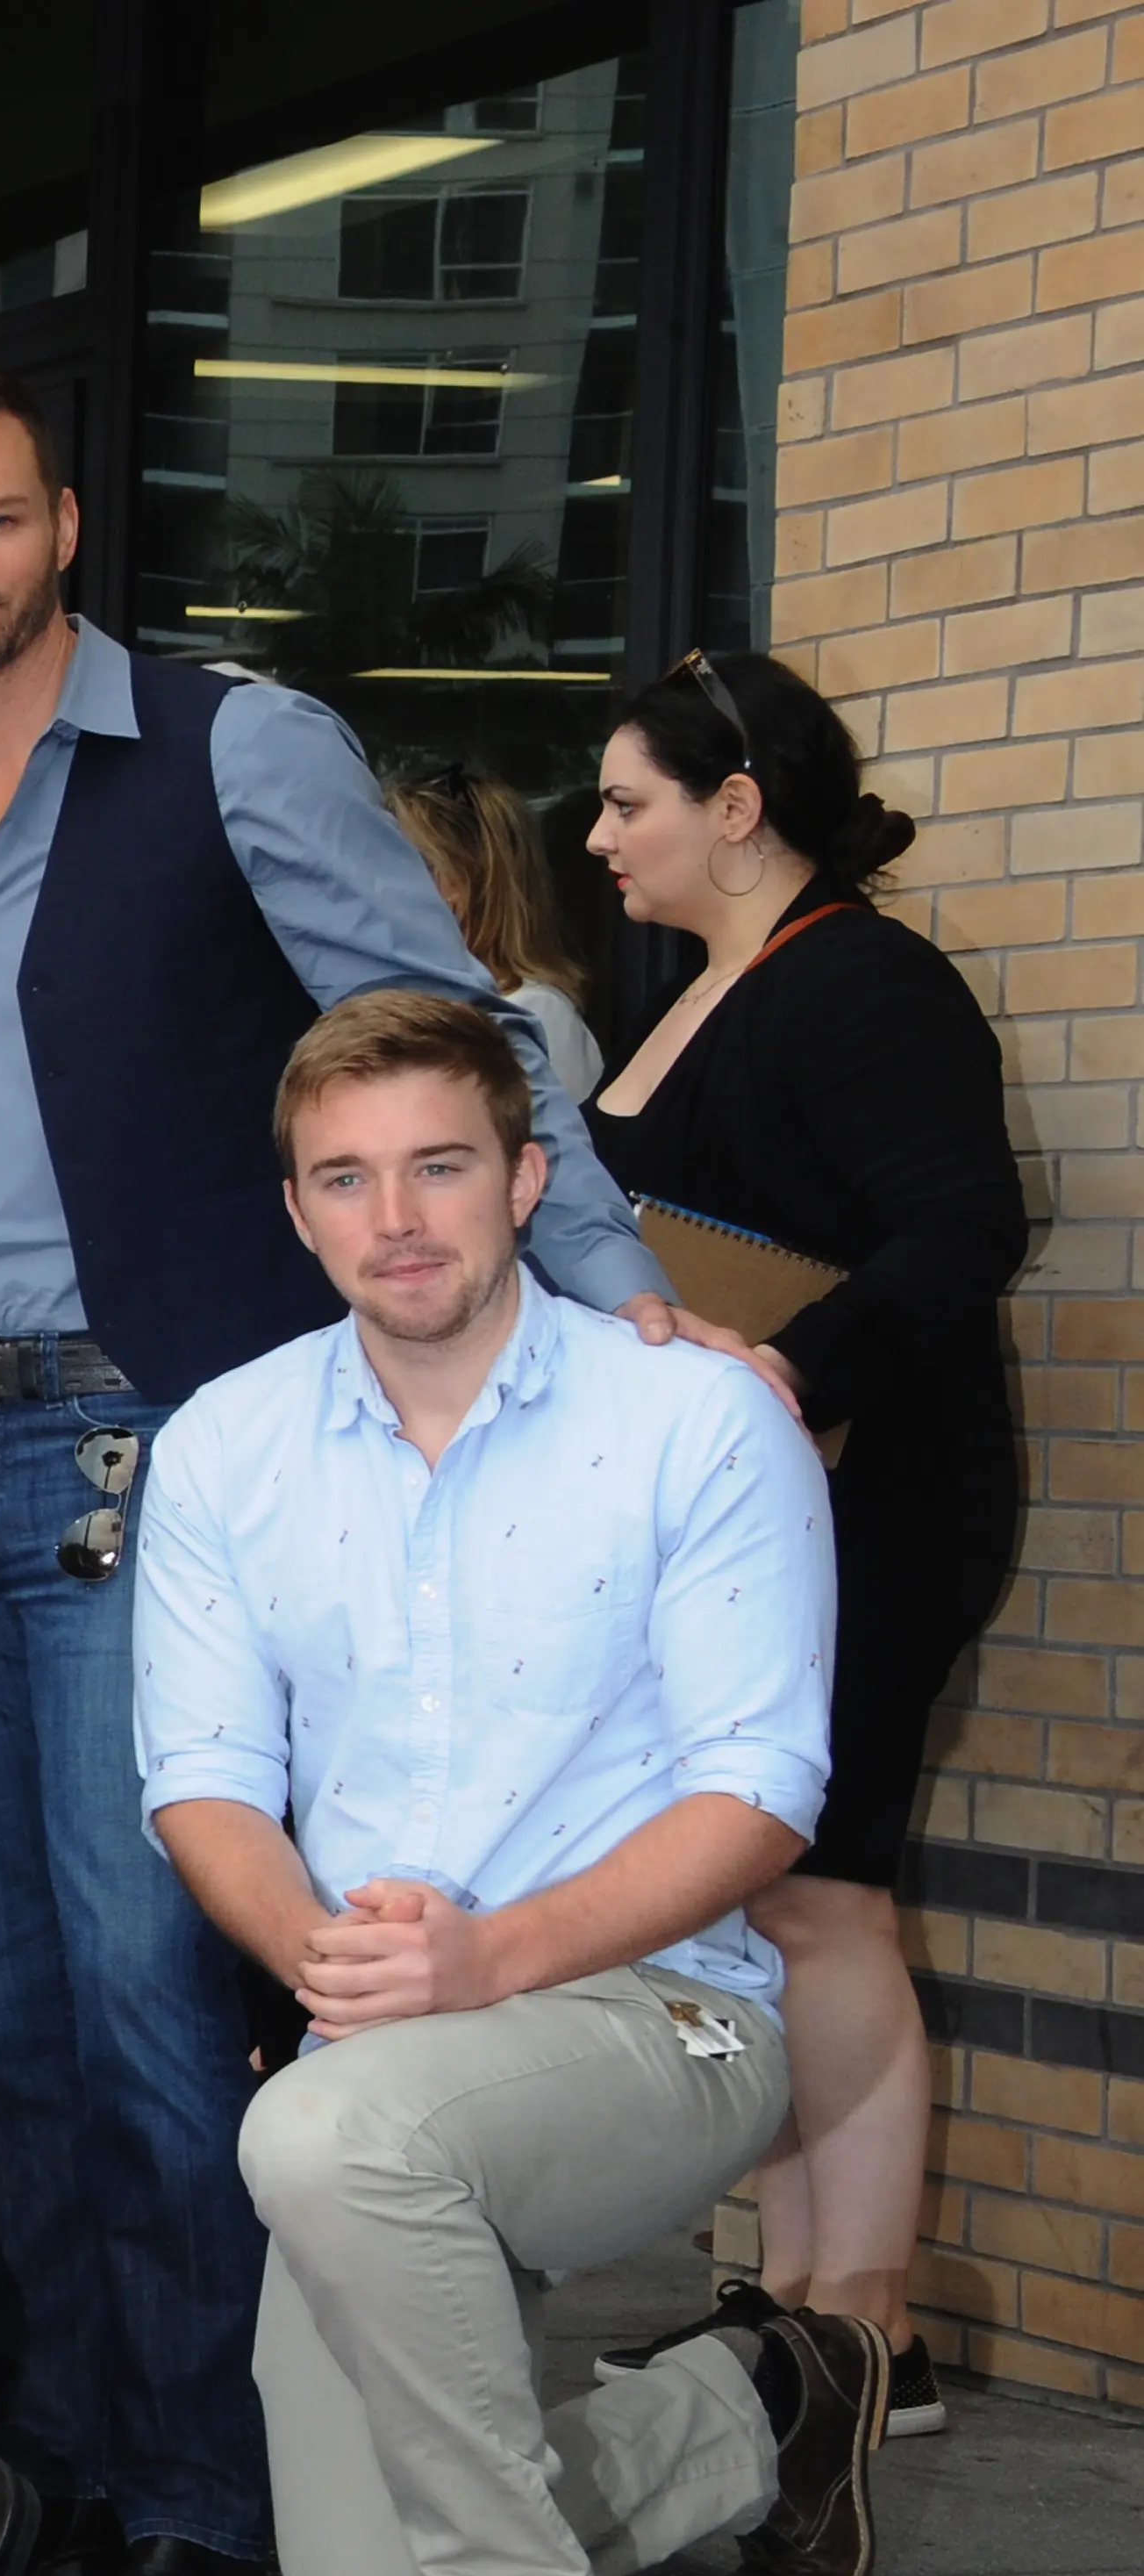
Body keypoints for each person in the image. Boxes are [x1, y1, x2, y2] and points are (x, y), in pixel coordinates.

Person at [0, 361, 696, 2576]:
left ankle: (205, 2496)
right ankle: (69, 2470)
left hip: (146, 1447)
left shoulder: (228, 746)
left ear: (65, 520)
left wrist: (621, 1296)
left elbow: (443, 1037)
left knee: (139, 1984)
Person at [139, 992, 884, 2576]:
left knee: (318, 2140)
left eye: (441, 1166)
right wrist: (333, 1955)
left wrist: (493, 1962)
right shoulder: (227, 1448)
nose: (397, 1216)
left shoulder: (696, 1421)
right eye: (348, 1177)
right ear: (301, 1209)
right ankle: (766, 2398)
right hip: (390, 2038)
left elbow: (765, 1794)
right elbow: (206, 1786)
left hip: (665, 2016)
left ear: (527, 1180)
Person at [576, 652, 1026, 2440]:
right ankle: (784, 2300)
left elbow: (963, 1225)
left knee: (825, 1897)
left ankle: (871, 2320)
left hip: (870, 1494)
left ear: (737, 808)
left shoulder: (865, 984)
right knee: (762, 1903)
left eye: (629, 802)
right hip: (749, 1510)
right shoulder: (718, 983)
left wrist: (786, 1366)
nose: (598, 836)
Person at [390, 757, 604, 1104]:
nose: (382, 886)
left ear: (465, 883)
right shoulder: (407, 1002)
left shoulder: (533, 1017)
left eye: (402, 864)